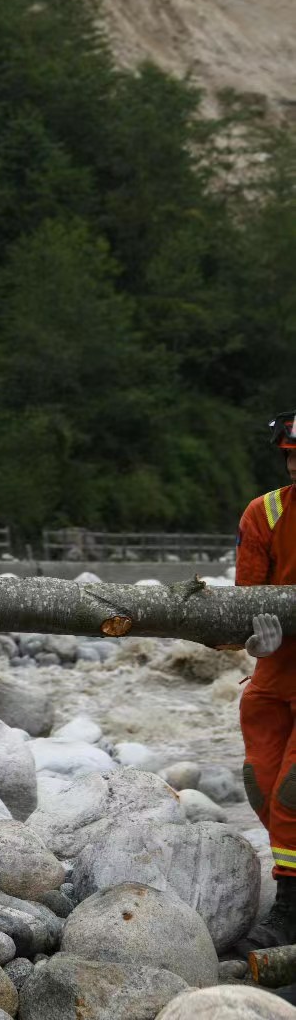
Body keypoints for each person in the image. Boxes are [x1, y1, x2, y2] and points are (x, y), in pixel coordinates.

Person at [234, 409, 296, 956]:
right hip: (276, 668)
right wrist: (252, 641)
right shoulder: (267, 512)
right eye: (293, 458)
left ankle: (290, 911)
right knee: (262, 783)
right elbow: (243, 602)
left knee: (292, 795)